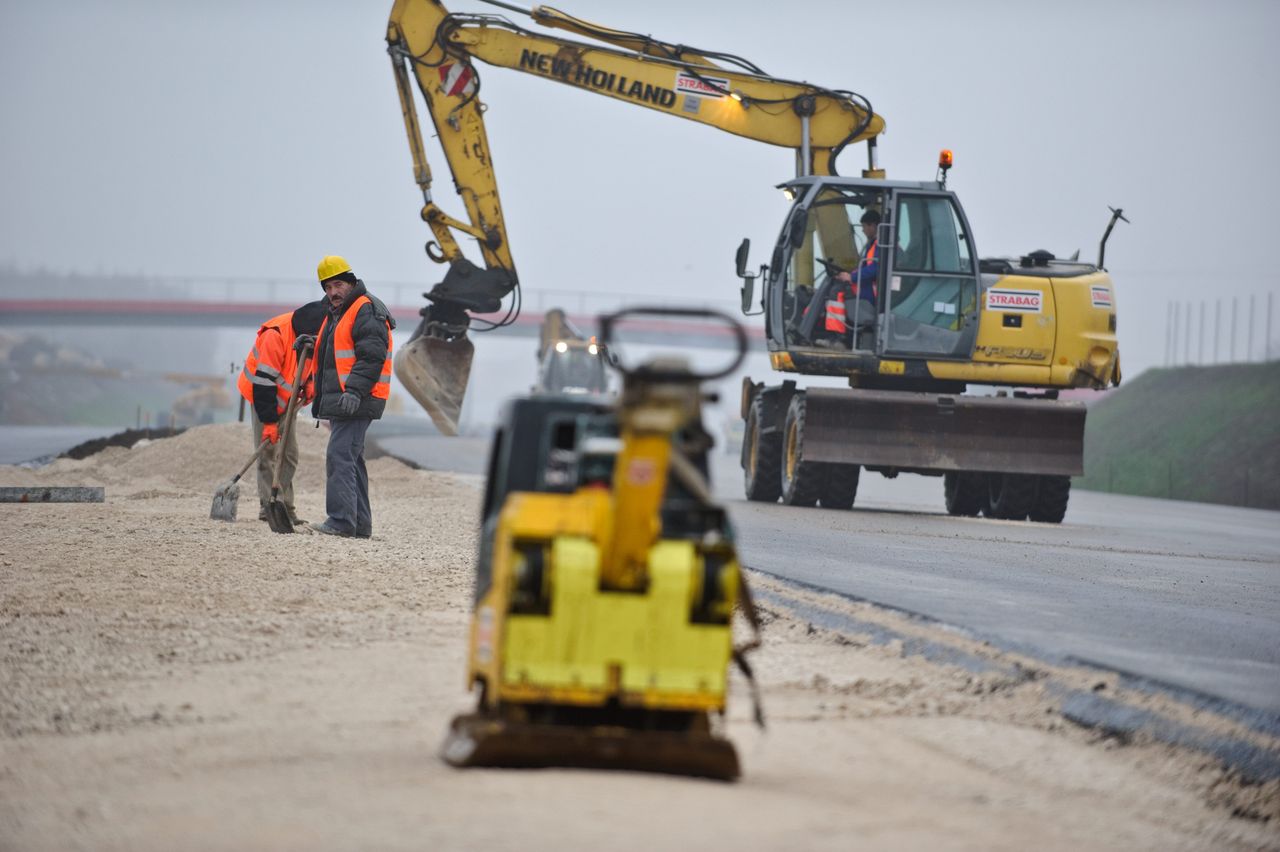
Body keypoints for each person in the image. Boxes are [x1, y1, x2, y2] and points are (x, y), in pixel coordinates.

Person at [309, 255, 395, 538]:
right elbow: (339, 352)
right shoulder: (340, 313)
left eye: (337, 285)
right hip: (349, 398)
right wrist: (312, 344)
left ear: (350, 282)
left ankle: (342, 521)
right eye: (327, 287)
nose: (332, 292)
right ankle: (359, 525)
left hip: (358, 397)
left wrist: (356, 391)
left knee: (339, 455)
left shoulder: (364, 309)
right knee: (352, 459)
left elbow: (371, 355)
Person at [237, 299, 328, 525]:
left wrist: (310, 382)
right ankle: (267, 506)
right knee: (267, 452)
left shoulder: (317, 334)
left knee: (289, 454)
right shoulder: (275, 335)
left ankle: (284, 505)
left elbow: (312, 364)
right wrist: (268, 422)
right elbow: (263, 383)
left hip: (288, 399)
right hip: (262, 397)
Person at [793, 208, 881, 346]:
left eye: (864, 227)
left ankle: (837, 337)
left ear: (873, 226)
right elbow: (865, 269)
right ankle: (808, 325)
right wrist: (848, 275)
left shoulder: (880, 246)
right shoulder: (874, 245)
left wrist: (851, 278)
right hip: (866, 286)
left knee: (836, 291)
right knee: (833, 283)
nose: (863, 231)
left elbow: (875, 269)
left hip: (872, 291)